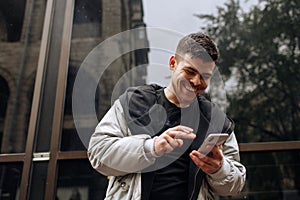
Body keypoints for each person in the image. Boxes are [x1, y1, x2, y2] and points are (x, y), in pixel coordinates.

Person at [88, 32, 246, 200]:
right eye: (190, 71)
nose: (196, 81)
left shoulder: (215, 120)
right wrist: (151, 147)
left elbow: (235, 185)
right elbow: (98, 154)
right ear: (173, 63)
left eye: (205, 76)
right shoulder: (134, 101)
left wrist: (219, 169)